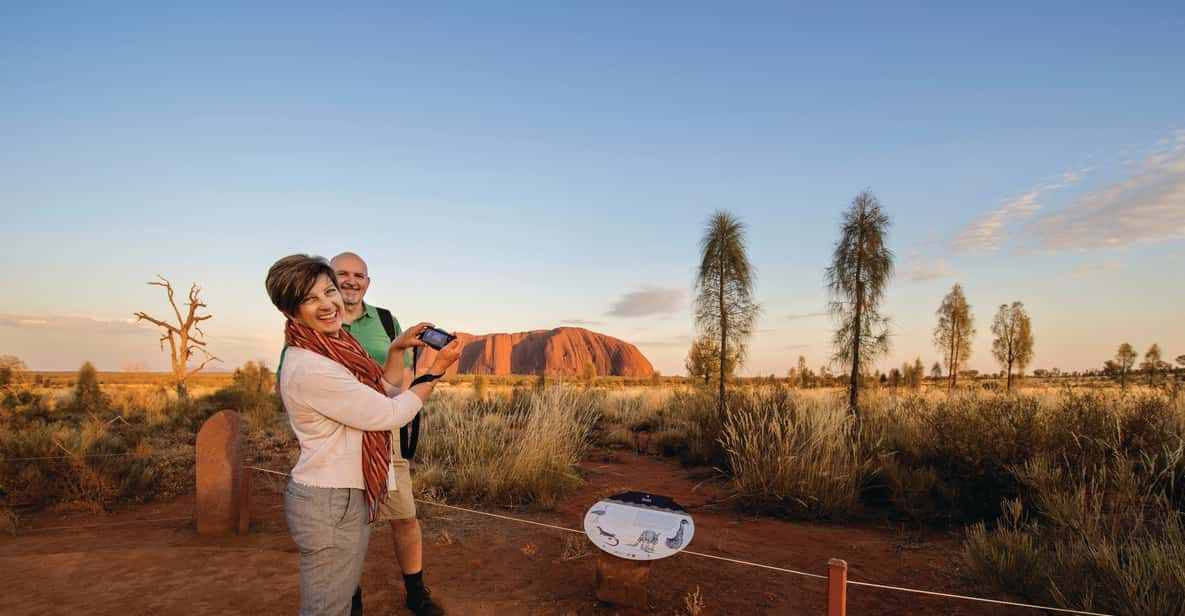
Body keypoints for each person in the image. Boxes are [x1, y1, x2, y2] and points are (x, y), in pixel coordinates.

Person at [265, 254, 461, 616]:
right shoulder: (312, 364)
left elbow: (378, 391)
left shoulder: (336, 346)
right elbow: (388, 414)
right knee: (328, 607)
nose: (327, 304)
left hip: (345, 491)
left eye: (329, 291)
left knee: (335, 600)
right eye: (311, 299)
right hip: (330, 500)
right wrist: (432, 374)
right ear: (291, 311)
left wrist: (397, 349)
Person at [330, 251, 442, 615]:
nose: (350, 281)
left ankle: (415, 592)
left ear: (368, 282)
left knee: (404, 514)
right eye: (342, 274)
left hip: (385, 431)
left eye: (358, 275)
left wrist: (388, 404)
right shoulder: (319, 319)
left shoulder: (384, 319)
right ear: (329, 279)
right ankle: (351, 595)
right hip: (337, 436)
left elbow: (405, 374)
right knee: (346, 522)